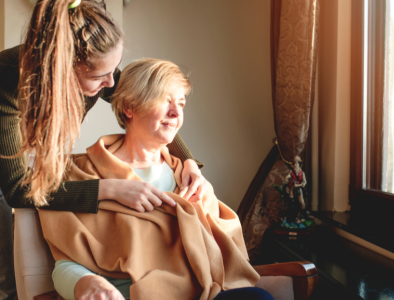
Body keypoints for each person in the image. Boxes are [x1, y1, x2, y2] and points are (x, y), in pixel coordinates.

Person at [0, 1, 207, 300]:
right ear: (62, 70)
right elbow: (18, 189)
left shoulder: (99, 65)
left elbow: (141, 100)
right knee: (8, 279)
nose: (111, 84)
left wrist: (187, 160)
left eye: (113, 71)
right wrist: (107, 189)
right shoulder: (7, 83)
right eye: (100, 78)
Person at [38, 58, 274, 300]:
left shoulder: (188, 178)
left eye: (181, 104)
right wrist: (86, 283)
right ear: (129, 107)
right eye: (165, 100)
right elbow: (65, 262)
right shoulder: (83, 174)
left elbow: (223, 253)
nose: (176, 112)